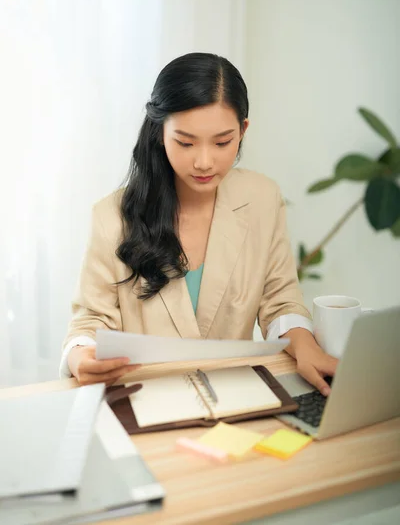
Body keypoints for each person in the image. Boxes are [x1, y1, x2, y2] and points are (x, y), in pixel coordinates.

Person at [61, 52, 337, 393]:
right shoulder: (111, 218)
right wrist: (80, 356)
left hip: (235, 396)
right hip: (147, 399)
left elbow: (280, 301)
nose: (204, 162)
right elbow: (89, 321)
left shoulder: (262, 198)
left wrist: (305, 345)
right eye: (185, 142)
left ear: (243, 131)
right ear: (160, 132)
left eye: (223, 142)